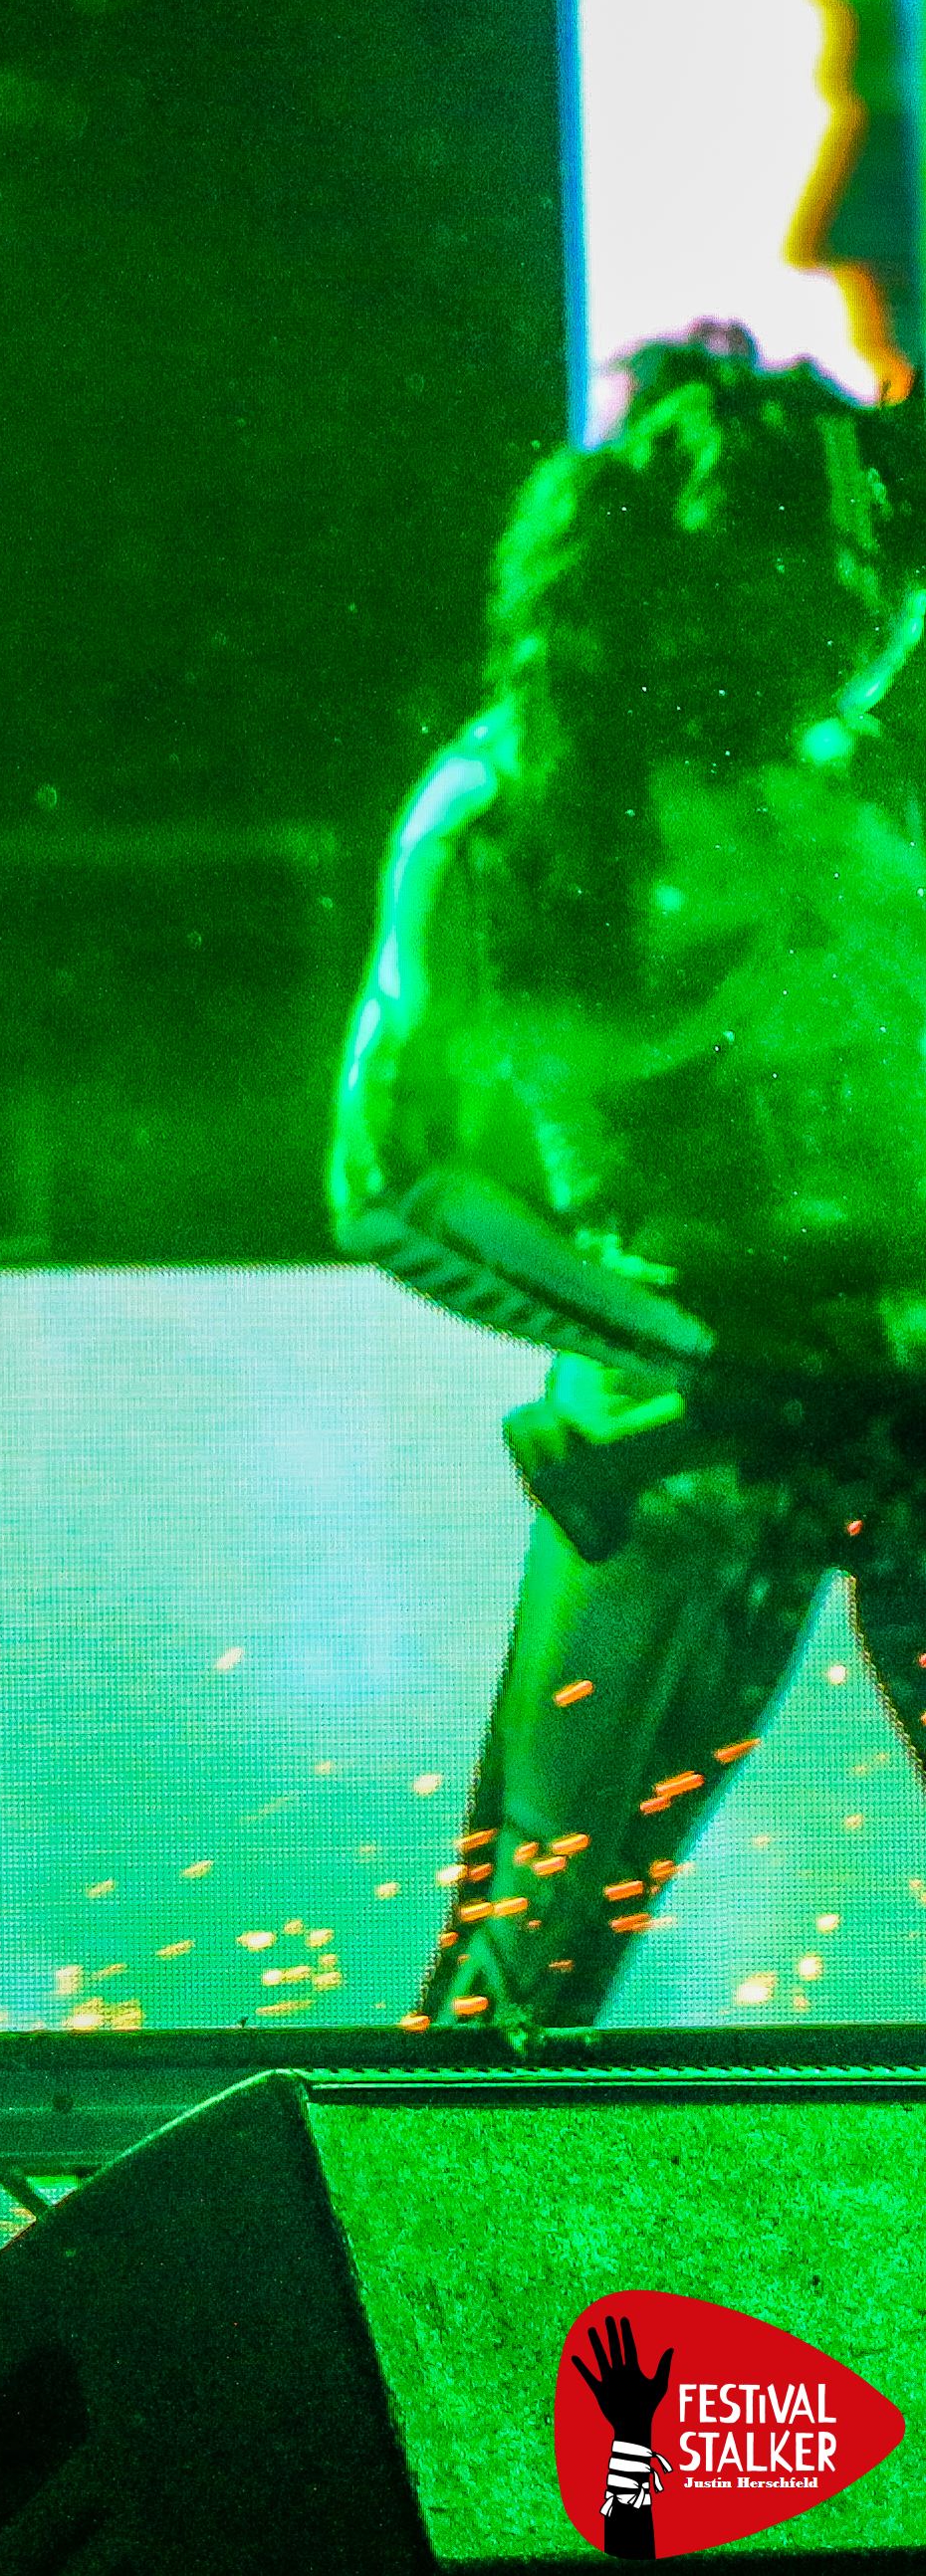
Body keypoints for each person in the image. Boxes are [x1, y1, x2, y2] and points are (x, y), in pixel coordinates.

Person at [329, 325, 926, 2033]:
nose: (869, 597)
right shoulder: (519, 802)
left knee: (533, 1945)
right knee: (530, 1952)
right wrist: (684, 1349)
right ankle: (447, 2203)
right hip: (688, 1435)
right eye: (825, 563)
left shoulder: (858, 768)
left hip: (885, 1395)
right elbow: (384, 1172)